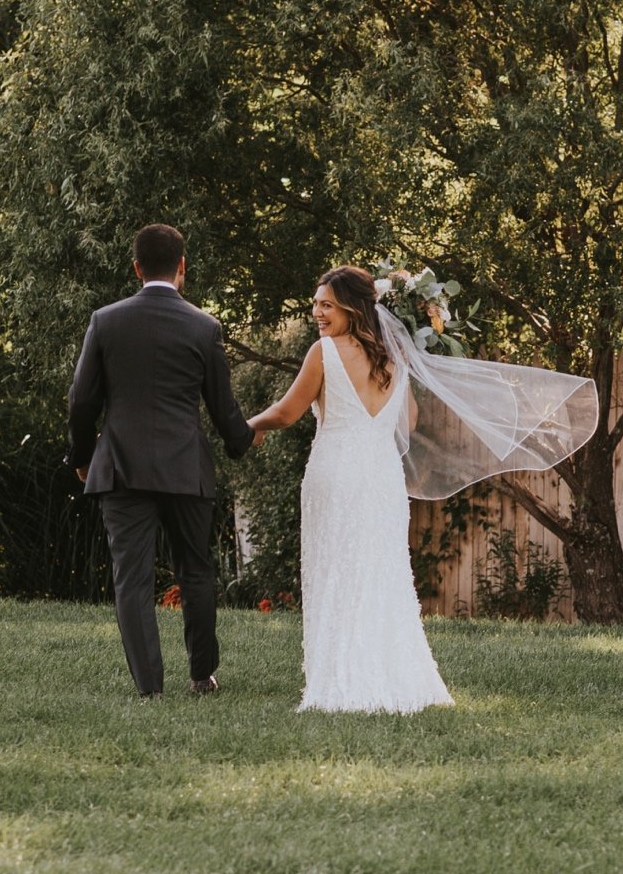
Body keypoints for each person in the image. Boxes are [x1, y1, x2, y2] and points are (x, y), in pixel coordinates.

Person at [250, 263, 600, 714]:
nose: (317, 313)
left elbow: (286, 411)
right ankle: (397, 676)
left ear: (353, 308)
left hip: (336, 472)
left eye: (327, 305)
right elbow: (409, 422)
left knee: (337, 567)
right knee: (382, 573)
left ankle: (341, 677)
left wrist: (251, 425)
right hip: (381, 479)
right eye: (315, 304)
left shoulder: (324, 352)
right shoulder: (394, 359)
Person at [68, 223, 254, 698]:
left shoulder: (105, 321)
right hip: (185, 468)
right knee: (196, 569)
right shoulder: (204, 326)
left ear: (136, 267)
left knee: (132, 577)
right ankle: (202, 675)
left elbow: (81, 402)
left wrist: (83, 457)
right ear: (182, 268)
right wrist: (241, 442)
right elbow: (223, 407)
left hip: (123, 468)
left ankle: (150, 687)